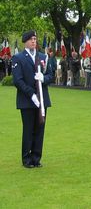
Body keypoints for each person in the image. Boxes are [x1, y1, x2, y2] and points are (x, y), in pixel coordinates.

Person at [12, 30, 53, 168]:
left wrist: (44, 79)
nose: (33, 41)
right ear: (25, 42)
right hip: (27, 99)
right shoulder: (18, 58)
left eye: (35, 39)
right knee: (28, 129)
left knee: (40, 128)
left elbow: (50, 75)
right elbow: (18, 80)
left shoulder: (42, 57)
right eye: (31, 39)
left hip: (42, 99)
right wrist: (31, 94)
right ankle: (27, 159)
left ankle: (36, 157)